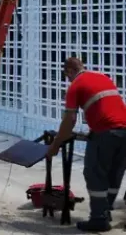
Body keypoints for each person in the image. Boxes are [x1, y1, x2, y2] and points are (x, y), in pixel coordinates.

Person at [46, 58, 126, 232]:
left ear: (69, 70)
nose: (67, 79)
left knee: (94, 173)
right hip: (123, 130)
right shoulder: (102, 76)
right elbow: (106, 106)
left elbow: (69, 120)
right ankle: (106, 211)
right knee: (114, 173)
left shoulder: (76, 85)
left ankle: (98, 219)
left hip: (106, 132)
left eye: (66, 75)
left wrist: (55, 145)